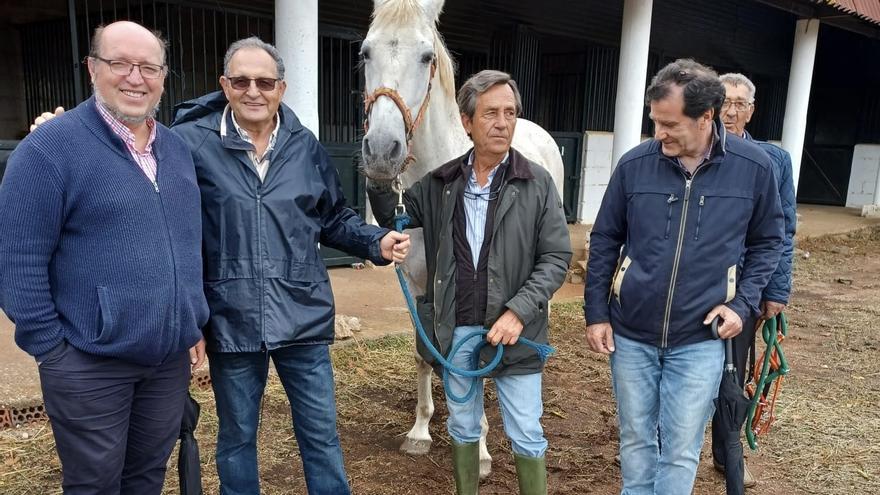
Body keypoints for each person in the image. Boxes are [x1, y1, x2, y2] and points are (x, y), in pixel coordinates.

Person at [170, 37, 409, 495]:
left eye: (264, 82)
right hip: (230, 317)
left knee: (320, 437)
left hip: (302, 314)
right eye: (241, 81)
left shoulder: (305, 146)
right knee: (237, 438)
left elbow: (333, 217)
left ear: (281, 87)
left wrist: (376, 241)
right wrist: (191, 317)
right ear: (224, 84)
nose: (253, 91)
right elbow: (171, 227)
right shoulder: (190, 145)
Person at [0, 21, 209, 494]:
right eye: (120, 63)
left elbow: (187, 242)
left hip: (166, 362)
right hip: (88, 363)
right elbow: (19, 261)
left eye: (149, 67)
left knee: (145, 477)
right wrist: (52, 351)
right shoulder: (48, 150)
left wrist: (189, 320)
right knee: (94, 484)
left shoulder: (175, 150)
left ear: (163, 75)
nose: (136, 77)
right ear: (93, 68)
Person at [583, 59, 784, 495]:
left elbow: (770, 240)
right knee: (636, 440)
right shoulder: (635, 165)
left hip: (700, 339)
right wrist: (596, 312)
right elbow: (604, 239)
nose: (659, 134)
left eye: (670, 124)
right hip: (631, 334)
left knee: (680, 448)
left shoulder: (754, 167)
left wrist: (742, 303)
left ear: (706, 117)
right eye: (655, 121)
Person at [369, 69, 572, 495]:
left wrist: (518, 312)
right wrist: (380, 170)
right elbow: (395, 215)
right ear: (466, 122)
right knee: (462, 427)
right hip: (457, 326)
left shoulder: (537, 183)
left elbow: (556, 258)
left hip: (516, 333)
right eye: (491, 113)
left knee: (526, 432)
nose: (503, 123)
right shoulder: (442, 182)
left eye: (510, 113)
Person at [712, 72, 798, 488]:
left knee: (734, 373)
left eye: (740, 103)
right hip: (699, 284)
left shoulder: (773, 160)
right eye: (724, 101)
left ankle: (729, 453)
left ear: (752, 109)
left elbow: (783, 230)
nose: (731, 111)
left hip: (746, 287)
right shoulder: (695, 150)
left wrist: (776, 290)